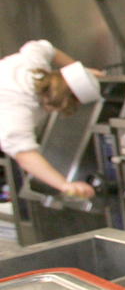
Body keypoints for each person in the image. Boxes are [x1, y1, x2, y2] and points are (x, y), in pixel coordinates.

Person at [0, 40, 101, 200]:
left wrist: (79, 70)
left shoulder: (33, 66)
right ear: (63, 105)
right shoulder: (19, 107)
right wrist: (64, 184)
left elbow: (45, 48)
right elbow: (24, 154)